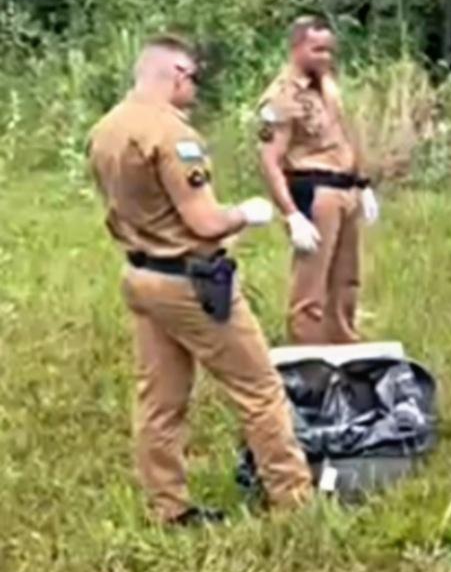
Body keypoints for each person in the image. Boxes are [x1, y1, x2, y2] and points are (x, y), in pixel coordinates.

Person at [88, 36, 314, 525]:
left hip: (141, 274)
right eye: (192, 77)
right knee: (259, 388)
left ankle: (168, 507)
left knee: (160, 400)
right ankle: (294, 501)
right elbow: (205, 221)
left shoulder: (106, 128)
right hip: (190, 282)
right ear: (174, 73)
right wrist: (245, 213)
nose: (195, 87)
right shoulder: (171, 136)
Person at [256, 16, 378, 345]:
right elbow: (269, 159)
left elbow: (343, 136)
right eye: (317, 49)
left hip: (345, 187)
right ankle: (308, 357)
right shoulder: (282, 97)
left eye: (329, 50)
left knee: (346, 279)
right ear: (297, 48)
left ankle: (344, 346)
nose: (325, 57)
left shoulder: (328, 86)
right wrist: (292, 213)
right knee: (311, 285)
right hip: (315, 190)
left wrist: (362, 183)